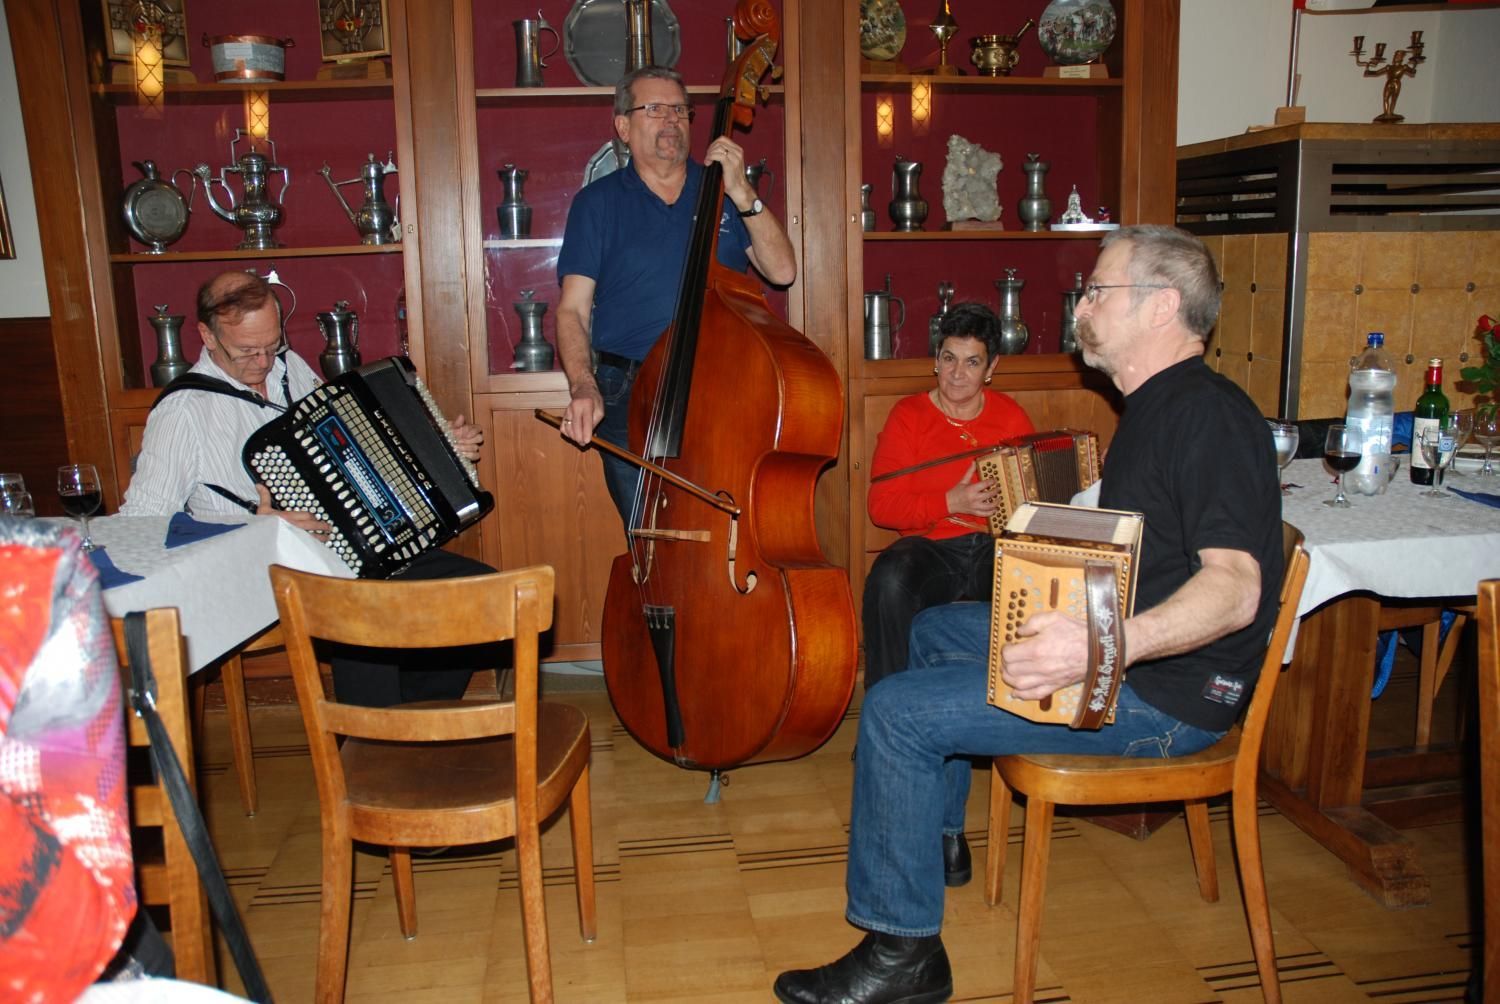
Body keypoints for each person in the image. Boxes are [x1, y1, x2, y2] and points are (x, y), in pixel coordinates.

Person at [773, 225, 1284, 1004]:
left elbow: (1237, 588)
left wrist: (1100, 646)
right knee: (930, 630)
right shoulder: (1153, 406)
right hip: (1122, 659)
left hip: (1163, 698)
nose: (1081, 304)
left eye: (1098, 290)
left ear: (1162, 308)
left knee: (893, 712)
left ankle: (903, 953)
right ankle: (938, 829)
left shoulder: (1207, 418)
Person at [122, 270, 494, 708]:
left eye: (270, 345)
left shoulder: (291, 368)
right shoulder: (183, 411)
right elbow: (140, 526)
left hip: (348, 549)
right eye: (245, 351)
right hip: (260, 570)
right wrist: (249, 525)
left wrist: (440, 447)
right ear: (206, 335)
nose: (262, 362)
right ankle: (367, 750)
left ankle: (416, 723)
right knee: (361, 608)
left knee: (477, 596)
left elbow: (353, 449)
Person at [554, 65, 798, 524]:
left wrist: (743, 191)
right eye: (655, 109)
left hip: (722, 387)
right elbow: (572, 310)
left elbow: (782, 271)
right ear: (623, 127)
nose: (672, 120)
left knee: (727, 521)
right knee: (652, 537)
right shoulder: (597, 203)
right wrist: (583, 385)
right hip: (628, 392)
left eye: (681, 111)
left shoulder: (723, 192)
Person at [863, 302, 1033, 697]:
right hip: (931, 549)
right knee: (889, 579)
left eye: (972, 362)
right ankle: (885, 711)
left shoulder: (1011, 416)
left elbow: (1032, 498)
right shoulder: (908, 415)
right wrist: (951, 501)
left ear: (991, 369)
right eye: (949, 358)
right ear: (936, 360)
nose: (957, 373)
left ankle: (1016, 708)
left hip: (994, 543)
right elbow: (881, 506)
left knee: (1027, 578)